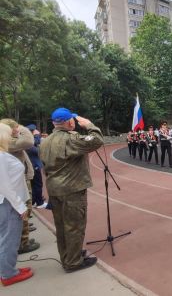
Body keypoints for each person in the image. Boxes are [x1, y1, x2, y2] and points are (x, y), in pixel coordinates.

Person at [40, 108, 103, 273]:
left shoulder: (44, 141)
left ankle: (68, 255)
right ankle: (73, 262)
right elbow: (96, 140)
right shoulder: (71, 139)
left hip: (54, 189)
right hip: (72, 189)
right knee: (74, 226)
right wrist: (89, 124)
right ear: (69, 122)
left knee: (61, 226)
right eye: (73, 120)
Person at [0, 123, 33, 286]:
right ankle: (8, 274)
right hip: (8, 203)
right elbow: (4, 185)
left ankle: (9, 269)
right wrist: (20, 207)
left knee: (8, 237)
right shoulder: (0, 156)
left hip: (9, 201)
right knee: (9, 238)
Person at [0, 118, 40, 254]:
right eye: (15, 129)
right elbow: (29, 141)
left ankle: (23, 238)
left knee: (24, 210)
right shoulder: (7, 143)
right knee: (21, 211)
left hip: (18, 181)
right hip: (14, 185)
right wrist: (21, 127)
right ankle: (23, 242)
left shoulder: (10, 141)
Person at [26, 124, 47, 208]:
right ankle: (39, 203)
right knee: (38, 184)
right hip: (34, 165)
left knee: (33, 185)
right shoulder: (29, 142)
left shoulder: (27, 141)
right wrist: (37, 136)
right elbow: (37, 150)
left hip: (31, 165)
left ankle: (35, 200)